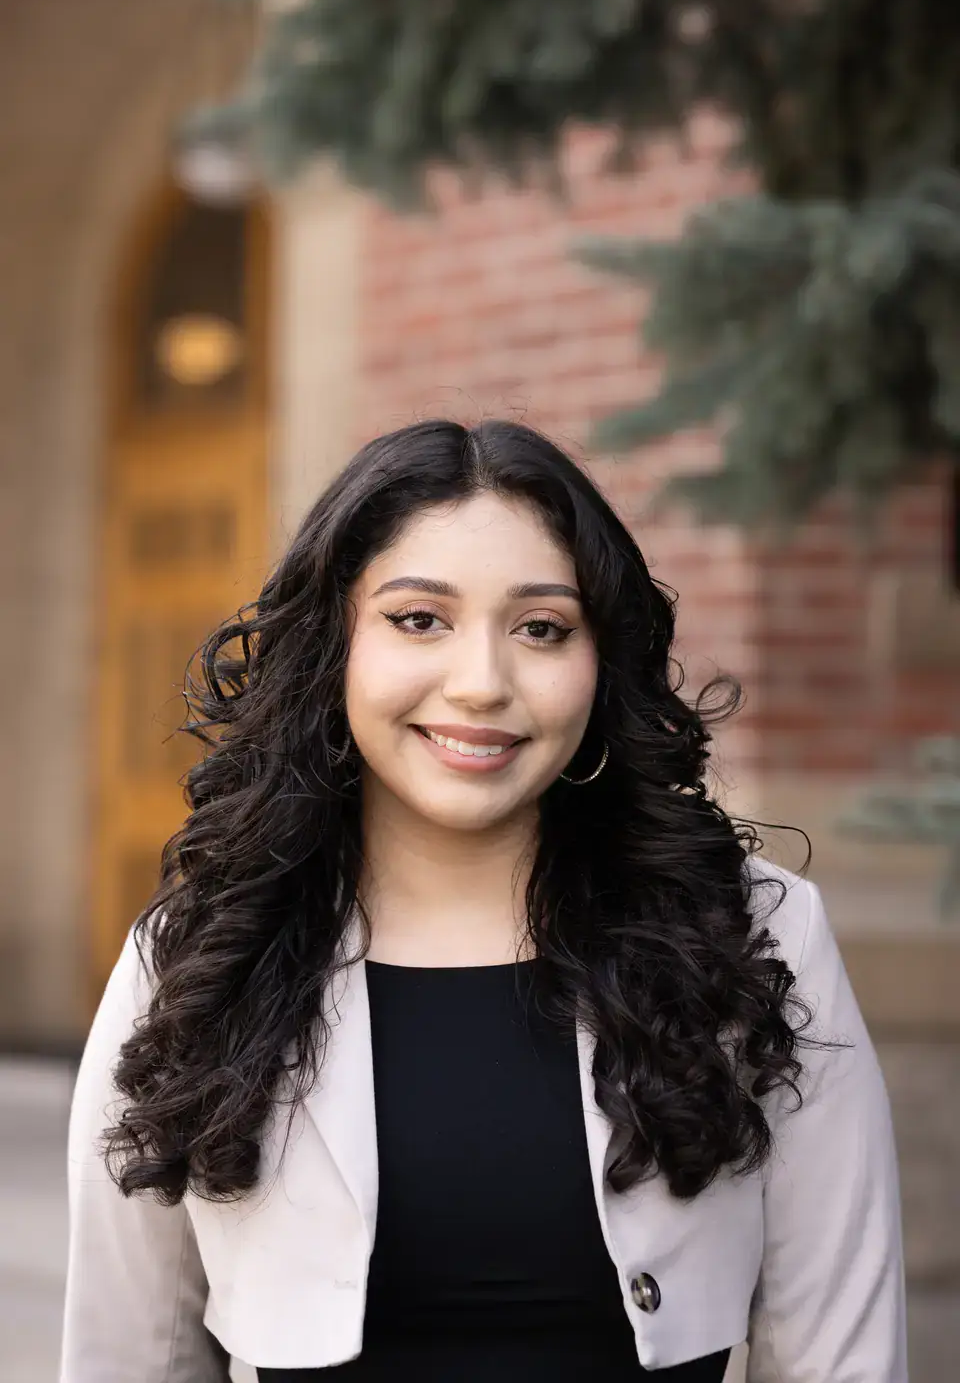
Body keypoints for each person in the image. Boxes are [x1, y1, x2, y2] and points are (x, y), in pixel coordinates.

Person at [59, 419, 907, 1383]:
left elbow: (840, 1358)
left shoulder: (755, 937)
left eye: (542, 628)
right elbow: (131, 1359)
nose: (481, 685)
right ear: (333, 643)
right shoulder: (198, 959)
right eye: (420, 619)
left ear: (602, 660)